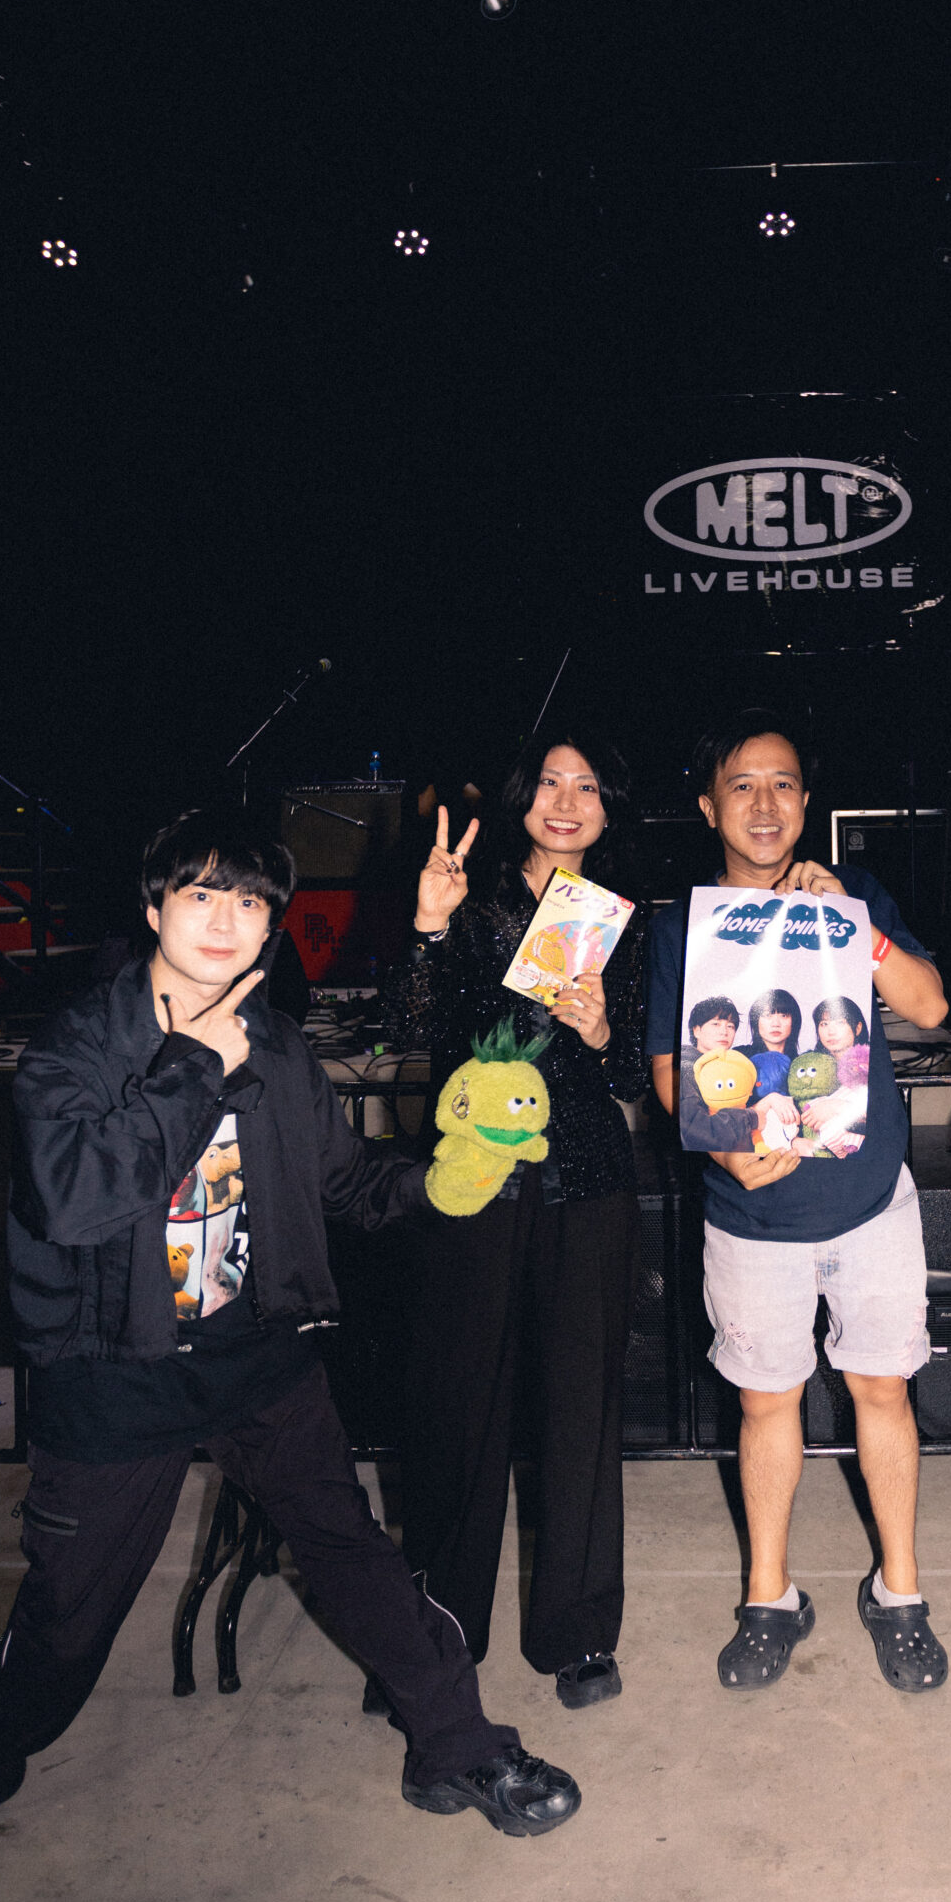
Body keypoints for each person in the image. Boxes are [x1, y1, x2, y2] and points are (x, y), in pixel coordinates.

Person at [0, 812, 580, 1902]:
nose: (224, 920)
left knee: (352, 1551)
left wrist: (444, 1180)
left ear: (270, 925)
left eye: (249, 901)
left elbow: (344, 1185)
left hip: (258, 1354)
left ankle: (458, 1743)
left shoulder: (282, 1048)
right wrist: (193, 1066)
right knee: (67, 1618)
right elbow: (74, 1201)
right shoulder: (76, 1049)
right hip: (115, 1373)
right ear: (154, 908)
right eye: (200, 895)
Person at [646, 709, 951, 1694]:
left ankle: (899, 1593)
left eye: (782, 783)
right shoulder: (682, 925)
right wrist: (724, 1143)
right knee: (765, 1400)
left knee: (883, 1389)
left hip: (869, 1197)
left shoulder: (852, 896)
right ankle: (768, 1597)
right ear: (709, 807)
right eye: (741, 785)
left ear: (807, 801)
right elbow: (668, 1065)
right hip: (751, 1214)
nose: (764, 803)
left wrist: (856, 928)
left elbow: (931, 1005)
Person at [380, 730, 647, 1713]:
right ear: (518, 797)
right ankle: (436, 1635)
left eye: (588, 786)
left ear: (610, 808)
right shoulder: (472, 899)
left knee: (583, 1408)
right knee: (458, 1408)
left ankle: (579, 1632)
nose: (566, 801)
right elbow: (408, 1030)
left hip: (589, 1180)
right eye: (548, 783)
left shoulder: (624, 917)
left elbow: (635, 1075)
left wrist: (601, 1029)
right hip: (478, 1183)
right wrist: (428, 923)